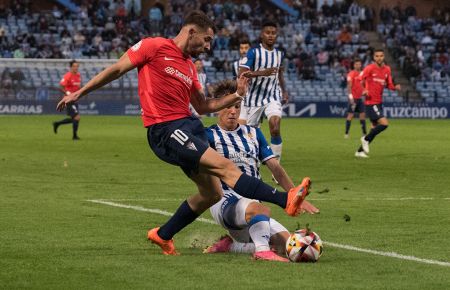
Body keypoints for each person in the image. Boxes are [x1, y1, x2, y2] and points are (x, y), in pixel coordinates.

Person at [56, 10, 311, 256]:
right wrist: (81, 92)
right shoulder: (152, 46)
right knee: (226, 168)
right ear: (191, 32)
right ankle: (285, 199)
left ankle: (163, 235)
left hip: (190, 126)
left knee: (213, 193)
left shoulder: (189, 66)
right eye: (207, 39)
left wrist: (237, 95)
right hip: (166, 128)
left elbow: (203, 106)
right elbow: (116, 69)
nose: (208, 46)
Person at [203, 80, 319, 262]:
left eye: (237, 106)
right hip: (224, 201)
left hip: (252, 203)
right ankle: (262, 252)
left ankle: (231, 245)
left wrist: (295, 196)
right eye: (227, 106)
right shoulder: (208, 136)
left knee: (288, 246)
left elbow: (275, 168)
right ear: (218, 107)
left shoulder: (253, 134)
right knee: (260, 210)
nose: (233, 111)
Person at [239, 21, 288, 182]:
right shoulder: (253, 53)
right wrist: (263, 72)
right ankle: (251, 165)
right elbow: (243, 73)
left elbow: (279, 75)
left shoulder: (280, 54)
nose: (271, 35)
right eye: (268, 32)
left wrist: (284, 90)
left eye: (273, 32)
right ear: (262, 34)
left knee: (275, 126)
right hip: (254, 99)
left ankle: (276, 170)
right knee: (249, 135)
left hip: (272, 96)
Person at [355, 49, 401, 158]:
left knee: (374, 129)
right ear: (373, 57)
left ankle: (360, 151)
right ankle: (365, 139)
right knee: (384, 124)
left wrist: (395, 87)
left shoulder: (387, 69)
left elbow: (389, 84)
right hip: (371, 102)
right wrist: (363, 90)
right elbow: (358, 79)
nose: (379, 58)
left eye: (381, 56)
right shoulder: (369, 68)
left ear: (384, 57)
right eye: (377, 56)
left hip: (379, 102)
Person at [53, 60, 81, 140]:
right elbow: (61, 86)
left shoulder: (78, 75)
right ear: (71, 67)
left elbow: (77, 87)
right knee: (77, 117)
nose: (76, 68)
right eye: (74, 66)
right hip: (68, 100)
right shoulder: (67, 76)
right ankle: (74, 137)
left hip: (75, 99)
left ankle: (57, 124)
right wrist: (68, 93)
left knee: (74, 118)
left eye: (77, 66)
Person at [345, 58, 367, 139]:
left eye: (359, 64)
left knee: (362, 115)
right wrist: (350, 98)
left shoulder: (363, 74)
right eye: (356, 64)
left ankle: (364, 134)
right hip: (353, 98)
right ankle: (346, 133)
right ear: (354, 65)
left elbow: (365, 85)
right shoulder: (351, 74)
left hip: (360, 98)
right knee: (350, 115)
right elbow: (349, 86)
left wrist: (365, 92)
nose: (358, 65)